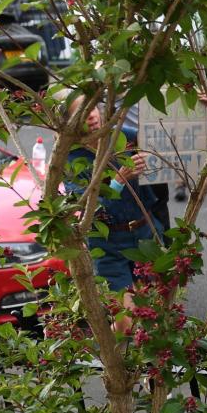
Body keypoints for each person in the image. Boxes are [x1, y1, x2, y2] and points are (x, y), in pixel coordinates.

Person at [62, 94, 157, 329]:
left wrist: (152, 162)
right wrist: (118, 180)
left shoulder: (124, 136)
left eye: (93, 107)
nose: (92, 115)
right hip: (107, 243)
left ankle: (131, 364)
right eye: (82, 113)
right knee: (126, 324)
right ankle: (109, 359)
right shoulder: (71, 160)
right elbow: (90, 212)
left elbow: (173, 150)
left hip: (143, 234)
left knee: (154, 319)